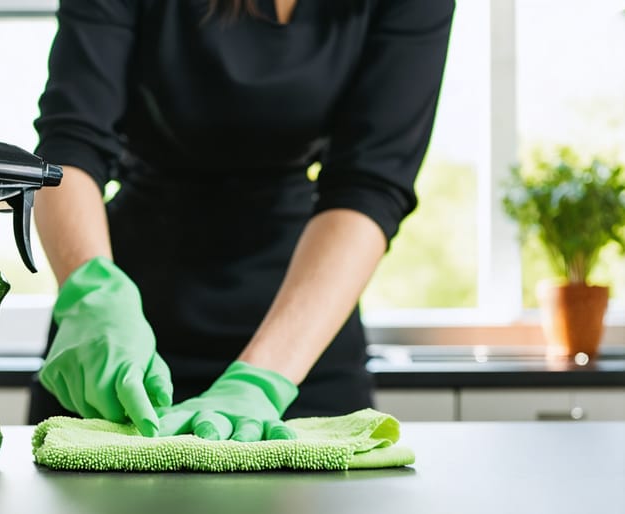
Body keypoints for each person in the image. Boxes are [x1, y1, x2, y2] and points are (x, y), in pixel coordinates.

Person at [28, 0, 454, 441]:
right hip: (125, 334)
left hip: (300, 335)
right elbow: (70, 145)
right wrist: (92, 294)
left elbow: (370, 185)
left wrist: (260, 381)